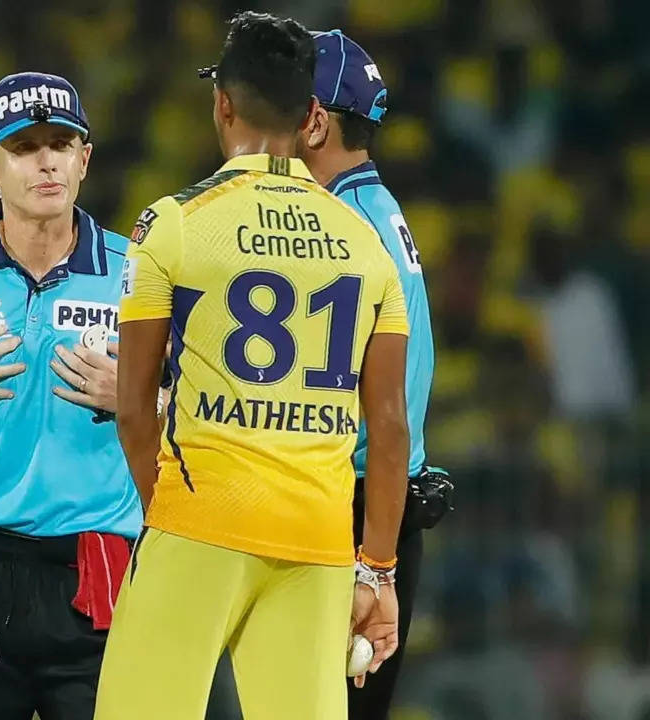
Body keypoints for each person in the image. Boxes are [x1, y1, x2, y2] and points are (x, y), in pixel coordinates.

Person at [95, 11, 411, 720]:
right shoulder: (366, 246)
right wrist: (378, 570)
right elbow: (389, 430)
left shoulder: (172, 222)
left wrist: (168, 513)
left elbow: (133, 405)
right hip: (318, 543)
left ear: (223, 103)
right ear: (310, 117)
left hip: (200, 518)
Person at [0, 72, 143, 720]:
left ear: (84, 159)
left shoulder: (141, 276)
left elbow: (203, 414)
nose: (45, 160)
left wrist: (144, 396)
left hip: (96, 568)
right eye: (23, 145)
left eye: (61, 143)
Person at [297, 29, 448, 719]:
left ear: (315, 120)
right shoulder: (377, 207)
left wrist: (371, 561)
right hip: (385, 504)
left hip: (354, 510)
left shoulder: (334, 224)